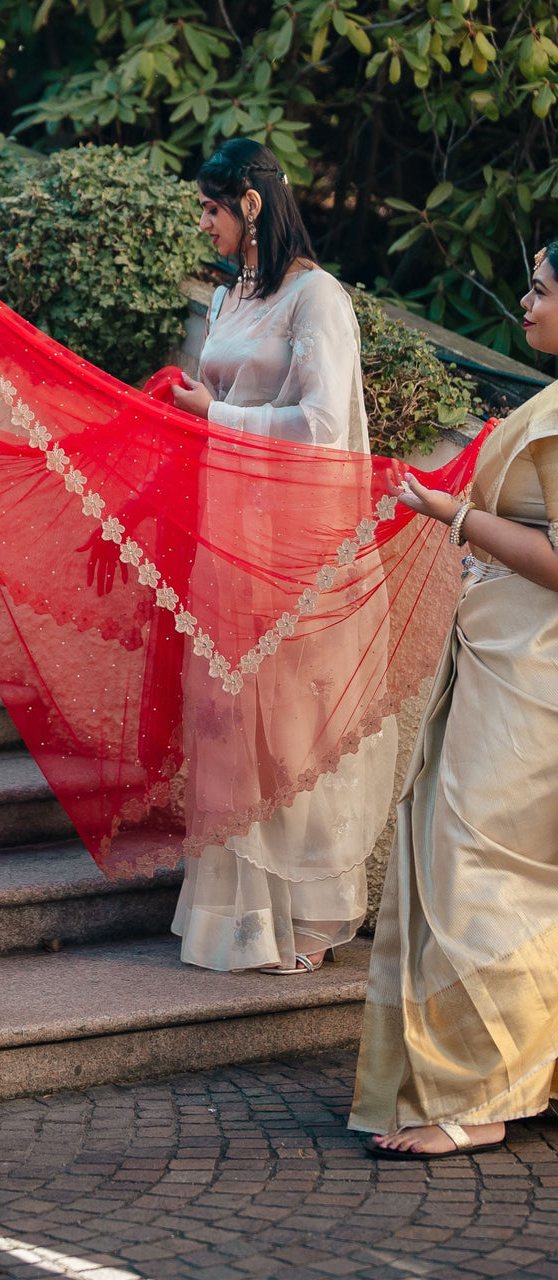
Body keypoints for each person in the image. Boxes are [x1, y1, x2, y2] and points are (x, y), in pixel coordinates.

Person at [166, 138, 397, 975]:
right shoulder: (231, 297)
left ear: (251, 206)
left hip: (293, 541)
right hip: (226, 529)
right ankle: (233, 917)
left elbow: (325, 425)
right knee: (226, 718)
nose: (205, 223)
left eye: (212, 208)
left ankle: (297, 918)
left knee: (288, 726)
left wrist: (216, 417)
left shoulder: (317, 298)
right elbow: (218, 397)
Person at [350, 239, 558, 1158]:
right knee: (468, 854)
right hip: (510, 655)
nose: (525, 298)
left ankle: (479, 1094)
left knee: (479, 863)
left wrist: (456, 518)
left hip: (537, 673)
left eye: (542, 288)